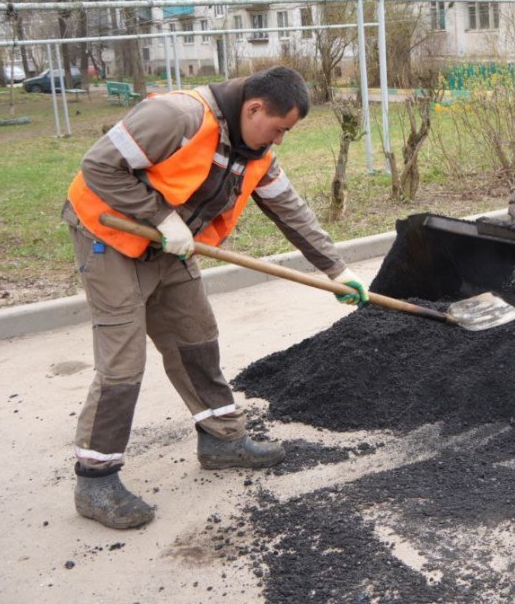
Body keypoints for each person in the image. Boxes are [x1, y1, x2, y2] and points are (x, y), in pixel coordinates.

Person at [62, 65, 369, 530]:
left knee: (196, 337)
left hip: (170, 242)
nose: (281, 139)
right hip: (110, 236)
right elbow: (99, 165)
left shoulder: (257, 149)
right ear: (254, 108)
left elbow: (291, 210)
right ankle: (96, 480)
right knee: (123, 360)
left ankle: (221, 440)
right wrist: (160, 217)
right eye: (280, 127)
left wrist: (337, 268)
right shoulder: (177, 116)